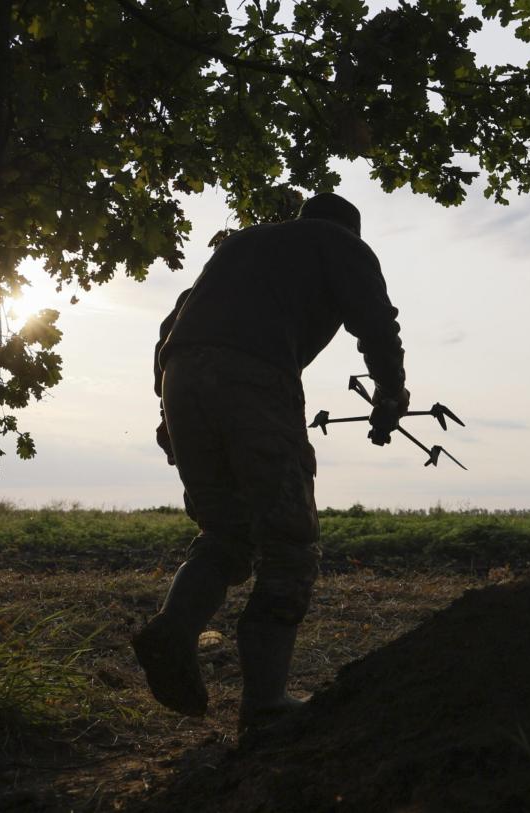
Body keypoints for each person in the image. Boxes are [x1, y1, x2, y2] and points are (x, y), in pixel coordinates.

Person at [132, 192, 410, 732]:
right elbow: (376, 321)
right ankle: (264, 707)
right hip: (255, 378)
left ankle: (173, 630)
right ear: (349, 229)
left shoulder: (238, 247)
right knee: (289, 545)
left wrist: (170, 413)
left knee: (226, 532)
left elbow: (173, 324)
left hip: (181, 379)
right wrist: (391, 392)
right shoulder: (340, 243)